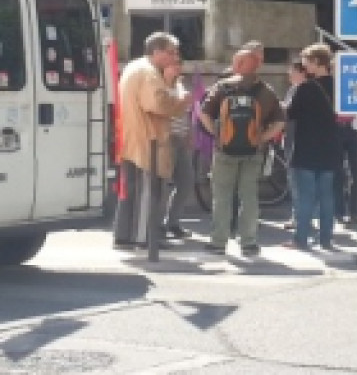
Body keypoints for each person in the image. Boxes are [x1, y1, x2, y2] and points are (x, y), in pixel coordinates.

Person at [198, 47, 285, 255]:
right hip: (253, 152)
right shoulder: (266, 91)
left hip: (225, 151)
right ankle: (249, 242)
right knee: (250, 197)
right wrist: (261, 138)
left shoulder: (223, 87)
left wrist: (217, 135)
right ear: (257, 66)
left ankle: (219, 242)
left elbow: (204, 114)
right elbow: (280, 122)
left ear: (237, 65)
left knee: (222, 196)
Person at [113, 32, 192, 250]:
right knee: (147, 192)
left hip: (134, 138)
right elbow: (157, 103)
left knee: (133, 191)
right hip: (147, 140)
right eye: (171, 52)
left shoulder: (135, 67)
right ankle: (144, 238)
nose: (175, 57)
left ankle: (124, 236)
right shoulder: (149, 72)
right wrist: (180, 101)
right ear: (156, 52)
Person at [284, 43, 343, 251]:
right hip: (331, 146)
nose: (304, 65)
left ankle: (301, 238)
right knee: (327, 195)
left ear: (317, 62)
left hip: (307, 148)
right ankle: (326, 239)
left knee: (306, 196)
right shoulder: (339, 86)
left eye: (306, 61)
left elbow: (290, 114)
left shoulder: (306, 88)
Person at [161, 58, 196, 239]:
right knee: (163, 184)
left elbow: (187, 113)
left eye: (179, 64)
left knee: (186, 181)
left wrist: (189, 132)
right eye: (174, 64)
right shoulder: (160, 86)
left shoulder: (180, 85)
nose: (178, 68)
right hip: (167, 139)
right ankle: (158, 226)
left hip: (181, 139)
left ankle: (172, 222)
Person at [281, 60, 309, 231]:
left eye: (292, 71)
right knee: (293, 179)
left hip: (300, 139)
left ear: (301, 72)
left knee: (299, 179)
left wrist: (283, 108)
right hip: (290, 137)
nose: (289, 75)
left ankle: (301, 217)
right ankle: (298, 215)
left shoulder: (306, 90)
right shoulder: (292, 90)